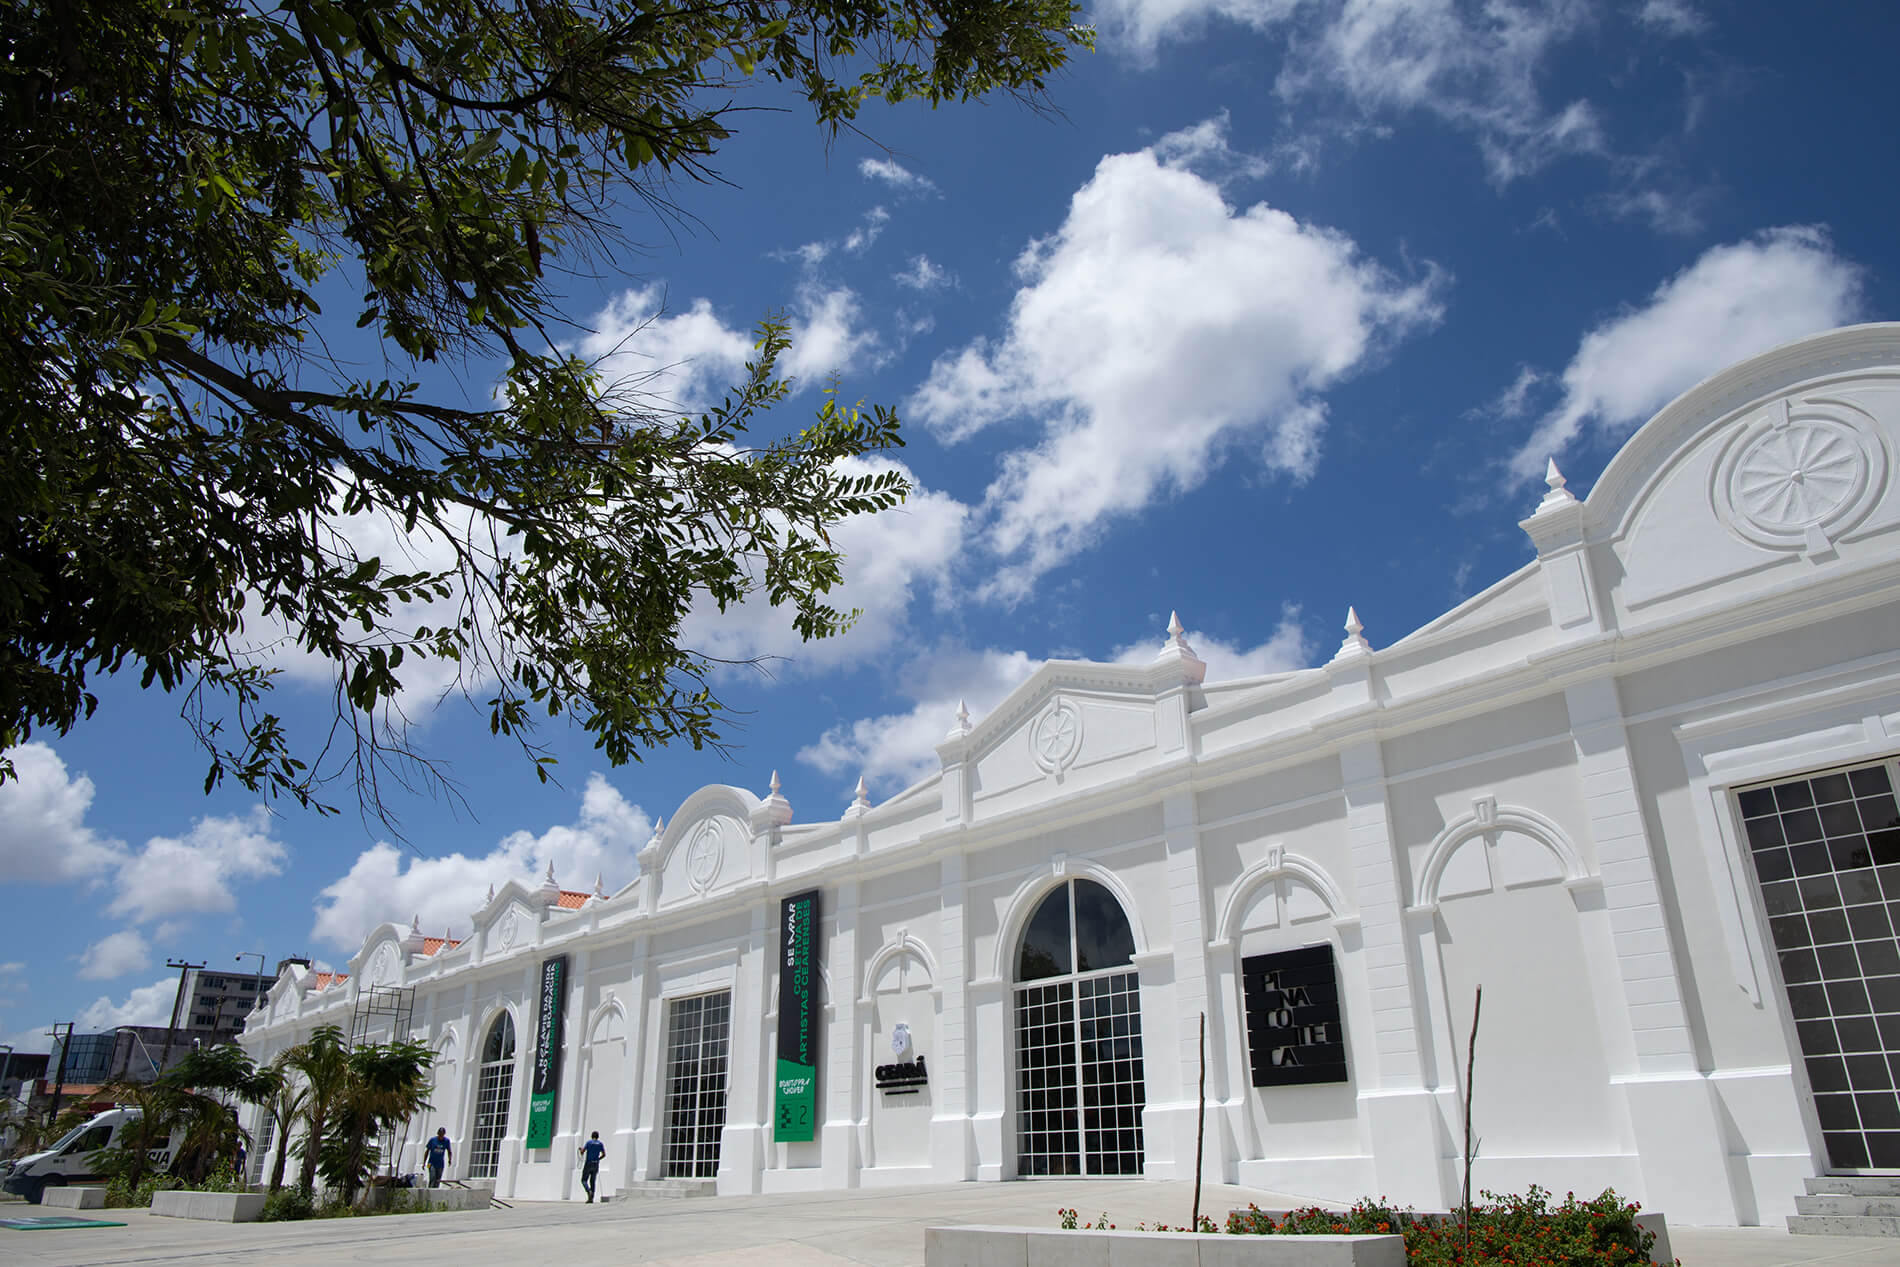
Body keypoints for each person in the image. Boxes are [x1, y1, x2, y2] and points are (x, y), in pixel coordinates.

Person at [578, 1130, 606, 1203]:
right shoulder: (600, 1144)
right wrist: (598, 1159)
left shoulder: (589, 1143)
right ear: (597, 1137)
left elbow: (582, 1152)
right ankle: (591, 1198)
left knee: (584, 1180)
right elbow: (604, 1154)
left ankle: (589, 1191)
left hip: (588, 1163)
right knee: (592, 1181)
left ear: (592, 1136)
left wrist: (580, 1149)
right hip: (596, 1164)